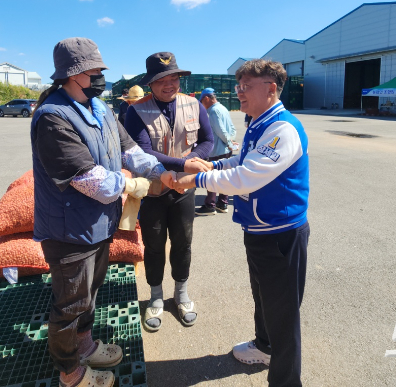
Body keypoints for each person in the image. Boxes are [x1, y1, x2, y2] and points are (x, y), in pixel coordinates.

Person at [32, 37, 171, 387]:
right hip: (69, 231)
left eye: (99, 72)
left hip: (99, 225)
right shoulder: (53, 117)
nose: (99, 78)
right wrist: (130, 184)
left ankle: (85, 344)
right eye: (92, 72)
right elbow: (89, 180)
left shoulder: (102, 110)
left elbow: (130, 151)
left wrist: (159, 172)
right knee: (69, 304)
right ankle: (70, 372)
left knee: (89, 294)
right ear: (71, 74)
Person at [173, 59, 310, 387]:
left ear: (271, 88)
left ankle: (286, 382)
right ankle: (263, 347)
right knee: (263, 297)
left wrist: (198, 180)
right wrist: (213, 163)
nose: (240, 93)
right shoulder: (259, 122)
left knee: (283, 313)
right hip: (259, 230)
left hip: (281, 234)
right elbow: (243, 159)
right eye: (238, 87)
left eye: (247, 87)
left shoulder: (283, 129)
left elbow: (247, 178)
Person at [124, 52, 214, 332]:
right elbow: (142, 152)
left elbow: (207, 140)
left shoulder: (194, 105)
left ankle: (182, 294)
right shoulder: (136, 110)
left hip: (184, 189)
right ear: (151, 83)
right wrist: (183, 164)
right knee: (153, 246)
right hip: (153, 191)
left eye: (174, 77)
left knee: (183, 242)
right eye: (162, 79)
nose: (170, 84)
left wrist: (195, 160)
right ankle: (155, 297)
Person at [196, 88, 237, 216]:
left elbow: (220, 131)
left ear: (207, 98)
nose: (202, 104)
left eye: (202, 101)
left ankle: (210, 205)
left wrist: (229, 143)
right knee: (224, 177)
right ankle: (223, 203)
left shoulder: (213, 111)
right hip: (225, 150)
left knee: (212, 177)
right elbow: (232, 128)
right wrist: (231, 142)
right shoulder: (223, 108)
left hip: (216, 150)